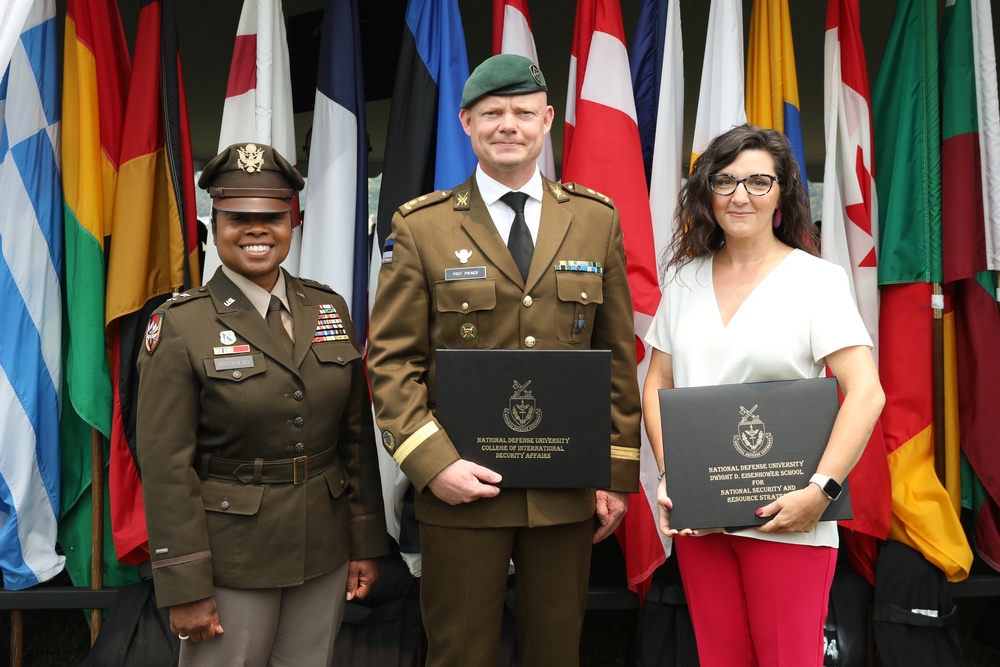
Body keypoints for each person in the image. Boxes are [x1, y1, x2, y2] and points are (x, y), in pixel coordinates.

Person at [367, 54, 641, 666]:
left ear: (547, 121)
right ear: (467, 122)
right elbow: (391, 363)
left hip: (565, 488)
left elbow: (617, 357)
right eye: (492, 113)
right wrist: (433, 465)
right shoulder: (422, 228)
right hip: (462, 487)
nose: (507, 125)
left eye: (522, 112)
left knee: (555, 652)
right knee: (459, 653)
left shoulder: (595, 220)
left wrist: (616, 474)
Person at [136, 142, 389, 666]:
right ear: (214, 223)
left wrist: (364, 540)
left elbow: (355, 436)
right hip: (231, 556)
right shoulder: (182, 324)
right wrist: (185, 581)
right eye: (238, 218)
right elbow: (166, 468)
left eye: (271, 216)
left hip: (323, 544)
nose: (257, 229)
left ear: (291, 222)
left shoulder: (326, 307)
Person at [642, 124, 885, 666]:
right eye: (725, 181)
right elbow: (657, 382)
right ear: (706, 190)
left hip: (789, 516)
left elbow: (866, 393)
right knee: (719, 659)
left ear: (782, 192)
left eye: (758, 181)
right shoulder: (683, 281)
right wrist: (672, 474)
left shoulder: (817, 281)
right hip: (702, 514)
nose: (740, 196)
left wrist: (819, 492)